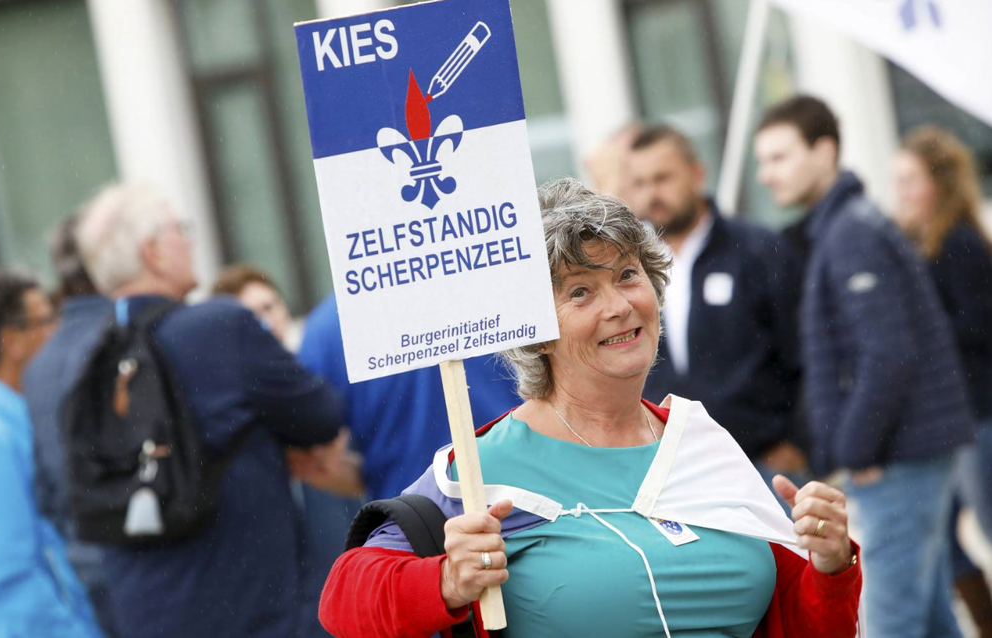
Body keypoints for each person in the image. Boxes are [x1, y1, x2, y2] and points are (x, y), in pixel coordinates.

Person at [319, 178, 861, 638]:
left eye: (628, 275)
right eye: (579, 292)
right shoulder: (481, 472)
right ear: (535, 332)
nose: (620, 306)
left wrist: (832, 565)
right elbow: (343, 601)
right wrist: (445, 581)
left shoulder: (697, 442)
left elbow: (801, 624)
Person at [74, 183, 345, 638]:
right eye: (179, 229)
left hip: (147, 617)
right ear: (153, 252)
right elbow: (321, 413)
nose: (189, 239)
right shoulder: (220, 326)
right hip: (252, 612)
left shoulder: (87, 364)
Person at [755, 95, 974, 638]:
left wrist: (856, 452)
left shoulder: (852, 231)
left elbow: (888, 353)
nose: (765, 175)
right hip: (904, 451)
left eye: (779, 158)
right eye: (763, 161)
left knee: (892, 620)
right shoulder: (848, 225)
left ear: (824, 151)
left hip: (896, 455)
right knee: (926, 616)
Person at [622, 124, 806, 493]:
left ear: (696, 174)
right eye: (639, 183)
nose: (651, 194)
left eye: (662, 178)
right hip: (671, 475)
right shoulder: (626, 268)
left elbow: (805, 356)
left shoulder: (757, 250)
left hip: (764, 467)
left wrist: (801, 442)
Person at [212, 263, 363, 638]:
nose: (265, 323)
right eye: (249, 317)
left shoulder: (321, 385)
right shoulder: (231, 418)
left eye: (269, 307)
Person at [894, 125, 992, 637]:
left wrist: (919, 334)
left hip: (980, 415)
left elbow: (980, 322)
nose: (902, 193)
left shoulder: (960, 241)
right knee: (943, 541)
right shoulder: (923, 243)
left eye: (910, 181)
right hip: (951, 421)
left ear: (939, 182)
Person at [0, 271, 103, 638]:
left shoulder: (10, 418)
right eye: (47, 320)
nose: (59, 331)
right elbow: (10, 577)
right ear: (12, 341)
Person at [298, 293, 520, 502]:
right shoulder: (498, 291)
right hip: (521, 499)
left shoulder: (330, 326)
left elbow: (316, 463)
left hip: (410, 518)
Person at [22, 214, 119, 637]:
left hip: (81, 574)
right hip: (150, 566)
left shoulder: (35, 367)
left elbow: (43, 487)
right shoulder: (129, 337)